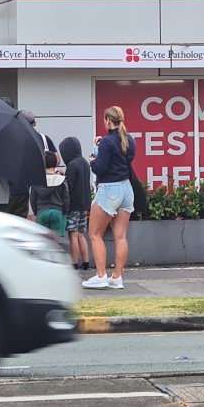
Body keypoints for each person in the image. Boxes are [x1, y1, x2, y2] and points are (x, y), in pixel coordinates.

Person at [82, 106, 135, 291]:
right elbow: (124, 160)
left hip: (109, 189)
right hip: (127, 189)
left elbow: (101, 168)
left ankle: (100, 275)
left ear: (107, 120)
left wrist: (92, 161)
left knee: (95, 234)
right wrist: (100, 146)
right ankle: (117, 277)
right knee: (121, 236)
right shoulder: (129, 140)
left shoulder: (106, 143)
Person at [60, 135, 92, 271]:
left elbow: (69, 186)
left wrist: (62, 177)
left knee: (72, 235)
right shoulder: (84, 162)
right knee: (81, 234)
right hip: (84, 204)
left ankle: (74, 265)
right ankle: (86, 264)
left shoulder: (72, 165)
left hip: (73, 205)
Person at [30, 151, 70, 235]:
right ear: (55, 163)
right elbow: (66, 197)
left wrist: (36, 212)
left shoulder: (36, 180)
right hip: (57, 211)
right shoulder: (61, 179)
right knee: (57, 241)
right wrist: (65, 212)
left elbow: (33, 198)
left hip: (41, 211)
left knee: (43, 239)